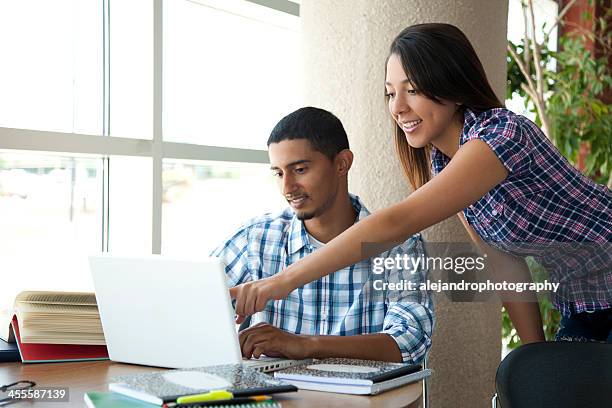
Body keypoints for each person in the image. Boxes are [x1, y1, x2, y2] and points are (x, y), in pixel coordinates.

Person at [230, 23, 612, 343]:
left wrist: (281, 282)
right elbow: (503, 261)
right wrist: (533, 361)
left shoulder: (502, 136)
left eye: (412, 89)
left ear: (453, 85)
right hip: (584, 302)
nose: (397, 107)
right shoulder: (444, 162)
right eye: (390, 93)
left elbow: (397, 222)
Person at [212, 107, 434, 363]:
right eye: (279, 173)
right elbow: (192, 304)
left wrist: (305, 345)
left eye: (300, 169)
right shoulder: (257, 238)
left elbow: (411, 341)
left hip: (362, 402)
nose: (287, 187)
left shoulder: (400, 246)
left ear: (342, 164)